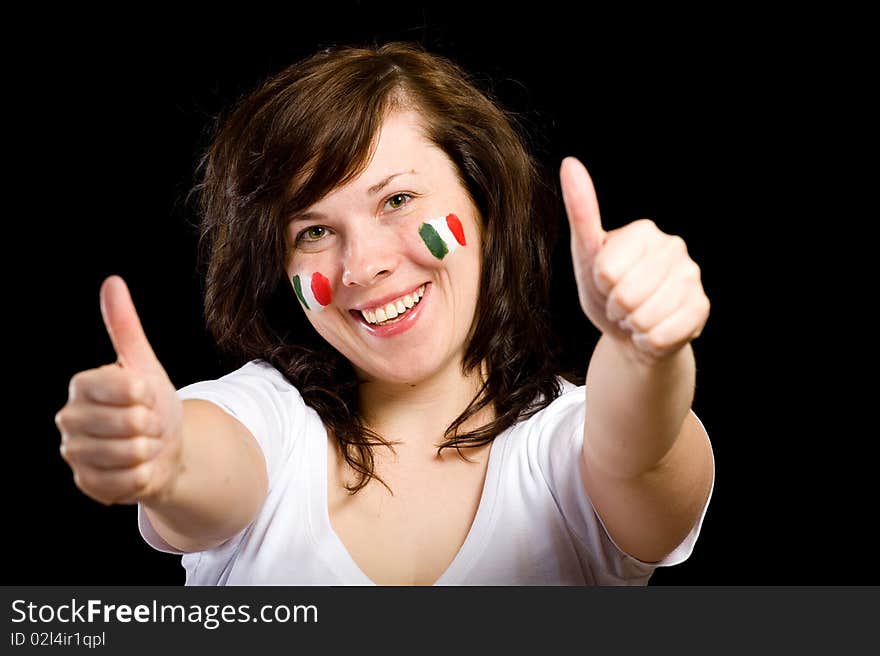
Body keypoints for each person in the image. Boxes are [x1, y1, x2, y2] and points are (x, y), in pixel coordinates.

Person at [54, 42, 715, 585]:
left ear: (482, 201)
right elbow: (207, 468)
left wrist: (648, 354)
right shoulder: (273, 423)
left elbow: (638, 453)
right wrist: (164, 457)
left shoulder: (565, 445)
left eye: (397, 199)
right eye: (312, 232)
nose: (361, 267)